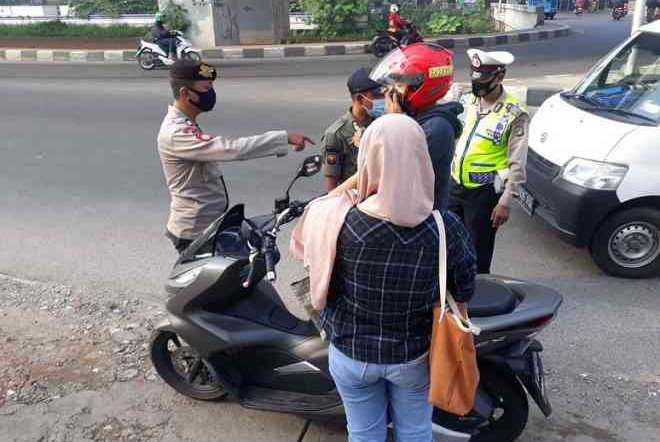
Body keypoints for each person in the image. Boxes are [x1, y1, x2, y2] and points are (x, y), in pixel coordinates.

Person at [291, 114, 477, 442]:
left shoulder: (336, 219)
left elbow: (312, 221)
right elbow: (464, 289)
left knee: (364, 433)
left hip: (349, 353)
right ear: (421, 157)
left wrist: (364, 175)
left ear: (368, 160)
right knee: (417, 431)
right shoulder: (446, 228)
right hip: (413, 357)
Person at [158, 59, 314, 253]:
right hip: (195, 231)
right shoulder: (177, 133)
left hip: (209, 225)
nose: (211, 93)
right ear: (184, 93)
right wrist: (283, 137)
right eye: (206, 88)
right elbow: (234, 149)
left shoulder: (186, 124)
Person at [339, 43, 464, 211]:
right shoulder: (415, 120)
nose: (390, 93)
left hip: (419, 225)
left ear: (420, 88)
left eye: (398, 85)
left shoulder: (435, 128)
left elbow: (387, 175)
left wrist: (394, 125)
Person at [448, 49, 530, 274]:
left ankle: (479, 300)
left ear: (499, 78)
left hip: (484, 193)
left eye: (483, 80)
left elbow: (517, 161)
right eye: (475, 79)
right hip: (454, 185)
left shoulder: (514, 114)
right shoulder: (467, 100)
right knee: (448, 245)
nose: (478, 85)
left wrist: (506, 200)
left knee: (477, 253)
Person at [320, 68, 384, 191]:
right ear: (360, 99)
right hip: (355, 201)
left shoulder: (381, 123)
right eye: (377, 95)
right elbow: (331, 184)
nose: (383, 99)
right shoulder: (336, 134)